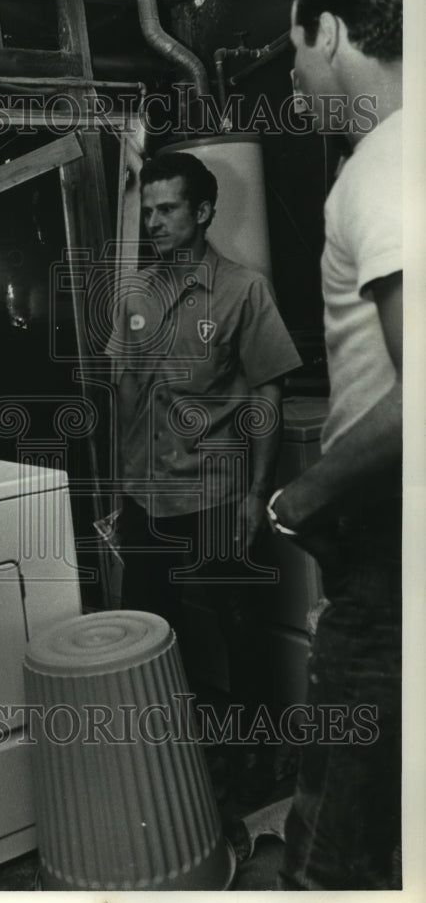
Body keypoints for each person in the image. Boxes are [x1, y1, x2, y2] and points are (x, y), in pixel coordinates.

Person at [105, 150, 302, 801]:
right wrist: (118, 492)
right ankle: (173, 765)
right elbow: (125, 396)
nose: (154, 222)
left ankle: (258, 761)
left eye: (167, 210)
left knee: (239, 628)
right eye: (148, 210)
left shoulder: (245, 289)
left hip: (217, 493)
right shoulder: (133, 291)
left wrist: (255, 495)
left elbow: (267, 396)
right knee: (151, 632)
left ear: (203, 212)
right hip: (146, 497)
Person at [269, 0, 403, 890]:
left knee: (332, 841)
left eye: (294, 51)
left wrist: (302, 495)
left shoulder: (384, 164)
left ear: (332, 29)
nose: (294, 77)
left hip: (389, 530)